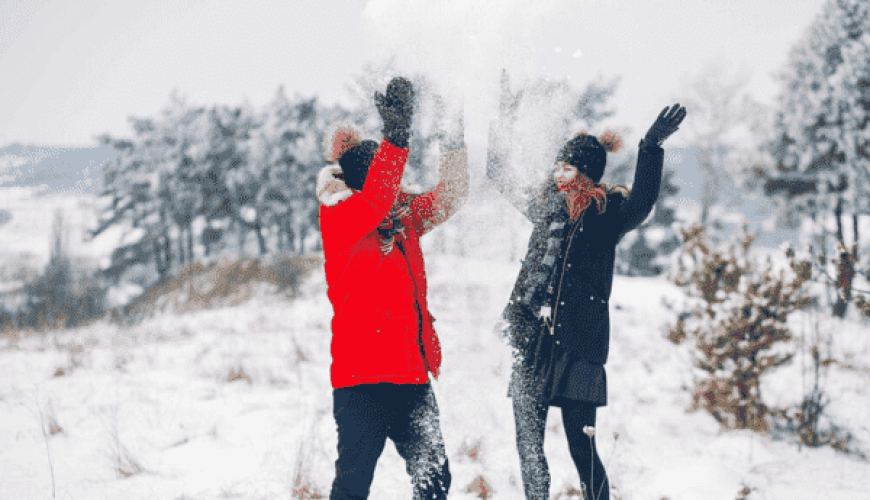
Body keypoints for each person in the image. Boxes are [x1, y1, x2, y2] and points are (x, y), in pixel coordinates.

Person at [486, 72, 686, 500]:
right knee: (527, 445)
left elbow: (643, 202)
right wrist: (503, 116)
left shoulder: (606, 212)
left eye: (567, 166)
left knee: (582, 446)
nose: (558, 173)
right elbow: (498, 172)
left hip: (579, 343)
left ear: (587, 171)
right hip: (533, 340)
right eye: (557, 165)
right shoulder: (545, 206)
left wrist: (650, 148)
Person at [316, 77, 469, 500]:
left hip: (411, 377)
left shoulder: (404, 220)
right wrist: (396, 138)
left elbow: (453, 195)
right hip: (361, 381)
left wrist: (453, 138)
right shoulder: (340, 220)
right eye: (390, 180)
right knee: (352, 487)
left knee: (434, 481)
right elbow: (377, 199)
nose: (400, 188)